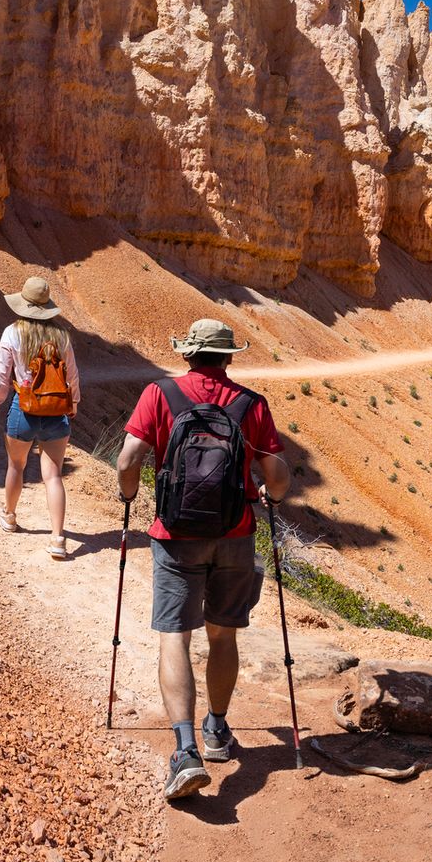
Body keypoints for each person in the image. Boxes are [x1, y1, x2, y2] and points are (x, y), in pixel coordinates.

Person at [114, 318, 290, 802]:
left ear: (188, 354)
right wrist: (271, 496)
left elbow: (129, 461)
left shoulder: (160, 394)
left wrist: (129, 495)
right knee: (222, 635)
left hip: (175, 536)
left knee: (175, 636)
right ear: (229, 357)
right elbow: (276, 474)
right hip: (234, 535)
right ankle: (216, 730)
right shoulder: (250, 405)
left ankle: (186, 751)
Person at [0, 275, 81, 559]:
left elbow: (2, 375)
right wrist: (72, 403)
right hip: (56, 413)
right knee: (53, 475)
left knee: (16, 466)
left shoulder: (12, 333)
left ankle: (10, 515)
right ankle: (58, 538)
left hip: (23, 408)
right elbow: (71, 376)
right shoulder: (62, 336)